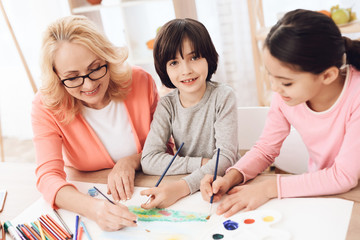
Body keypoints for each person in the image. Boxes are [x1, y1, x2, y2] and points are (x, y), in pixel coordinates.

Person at [200, 9, 360, 218]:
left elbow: (343, 176)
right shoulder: (287, 95)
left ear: (327, 75)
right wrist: (232, 176)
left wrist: (269, 188)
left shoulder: (355, 96)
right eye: (271, 76)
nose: (275, 88)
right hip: (322, 192)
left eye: (286, 82)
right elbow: (266, 149)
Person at [32, 15, 161, 231]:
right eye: (72, 78)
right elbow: (48, 176)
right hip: (93, 194)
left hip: (147, 188)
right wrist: (94, 210)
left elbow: (165, 147)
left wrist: (131, 161)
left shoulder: (140, 81)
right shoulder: (46, 105)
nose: (89, 84)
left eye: (95, 68)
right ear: (56, 76)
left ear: (107, 57)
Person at [140, 18, 239, 209]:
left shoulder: (223, 96)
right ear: (164, 69)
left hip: (223, 188)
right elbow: (149, 160)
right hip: (192, 191)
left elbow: (225, 159)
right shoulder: (167, 105)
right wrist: (201, 163)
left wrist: (180, 188)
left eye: (194, 58)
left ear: (208, 58)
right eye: (174, 62)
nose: (186, 70)